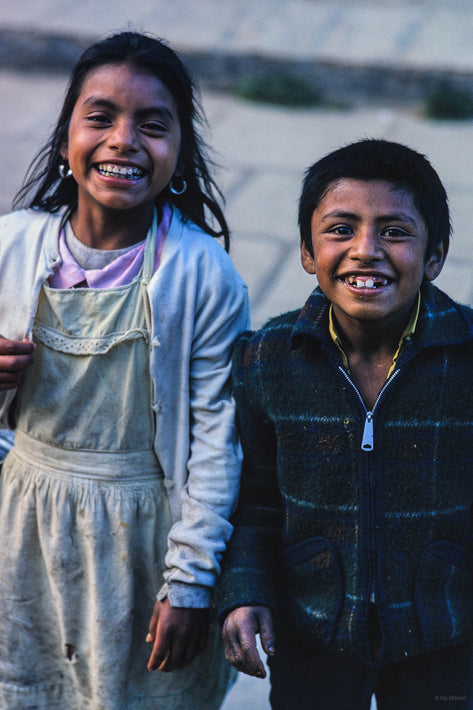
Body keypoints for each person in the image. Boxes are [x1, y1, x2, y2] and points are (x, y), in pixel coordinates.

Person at [0, 31, 249, 710]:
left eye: (152, 124)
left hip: (142, 546)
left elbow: (215, 444)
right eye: (100, 117)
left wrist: (191, 582)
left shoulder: (201, 276)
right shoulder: (13, 246)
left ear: (180, 153)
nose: (123, 140)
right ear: (64, 140)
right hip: (23, 528)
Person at [219, 139, 473, 709]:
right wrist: (245, 592)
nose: (366, 250)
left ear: (435, 256)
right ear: (308, 252)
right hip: (312, 633)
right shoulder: (268, 360)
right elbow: (256, 501)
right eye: (340, 230)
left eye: (394, 232)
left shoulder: (467, 358)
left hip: (446, 634)